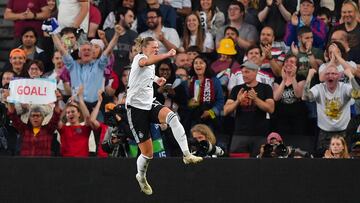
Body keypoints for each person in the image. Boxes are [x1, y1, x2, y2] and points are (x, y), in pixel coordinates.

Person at [126, 37, 202, 195]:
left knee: (172, 117)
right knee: (148, 154)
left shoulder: (150, 64)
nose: (156, 49)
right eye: (154, 47)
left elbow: (146, 73)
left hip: (149, 104)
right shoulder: (140, 57)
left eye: (158, 47)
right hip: (136, 109)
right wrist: (167, 54)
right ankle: (141, 176)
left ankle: (187, 154)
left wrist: (156, 79)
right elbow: (145, 63)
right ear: (145, 48)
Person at [302, 64, 360, 156]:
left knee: (344, 161)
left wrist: (350, 75)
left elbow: (358, 94)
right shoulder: (319, 88)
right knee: (323, 162)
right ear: (324, 77)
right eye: (327, 73)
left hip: (343, 132)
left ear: (339, 76)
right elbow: (305, 97)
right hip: (324, 134)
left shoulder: (344, 87)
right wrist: (309, 77)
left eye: (333, 73)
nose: (330, 76)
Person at [224, 61, 274, 157]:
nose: (244, 75)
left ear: (255, 72)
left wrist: (256, 99)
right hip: (239, 134)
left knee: (260, 167)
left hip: (259, 134)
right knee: (237, 166)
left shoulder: (266, 88)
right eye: (242, 72)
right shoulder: (236, 89)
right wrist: (238, 101)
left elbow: (271, 109)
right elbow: (226, 110)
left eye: (247, 72)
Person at [5, 91, 61, 156]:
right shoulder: (24, 129)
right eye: (33, 116)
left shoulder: (48, 130)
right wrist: (10, 99)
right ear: (29, 118)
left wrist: (57, 102)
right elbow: (12, 115)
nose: (35, 118)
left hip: (44, 165)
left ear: (43, 118)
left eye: (38, 116)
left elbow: (56, 116)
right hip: (25, 164)